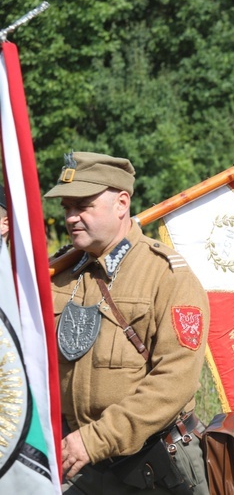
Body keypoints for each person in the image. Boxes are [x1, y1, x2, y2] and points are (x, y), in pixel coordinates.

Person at [45, 151, 210, 493]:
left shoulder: (167, 276)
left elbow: (174, 382)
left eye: (83, 205)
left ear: (122, 203)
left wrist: (97, 439)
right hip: (84, 467)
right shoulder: (57, 275)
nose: (72, 218)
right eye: (66, 209)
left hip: (155, 468)